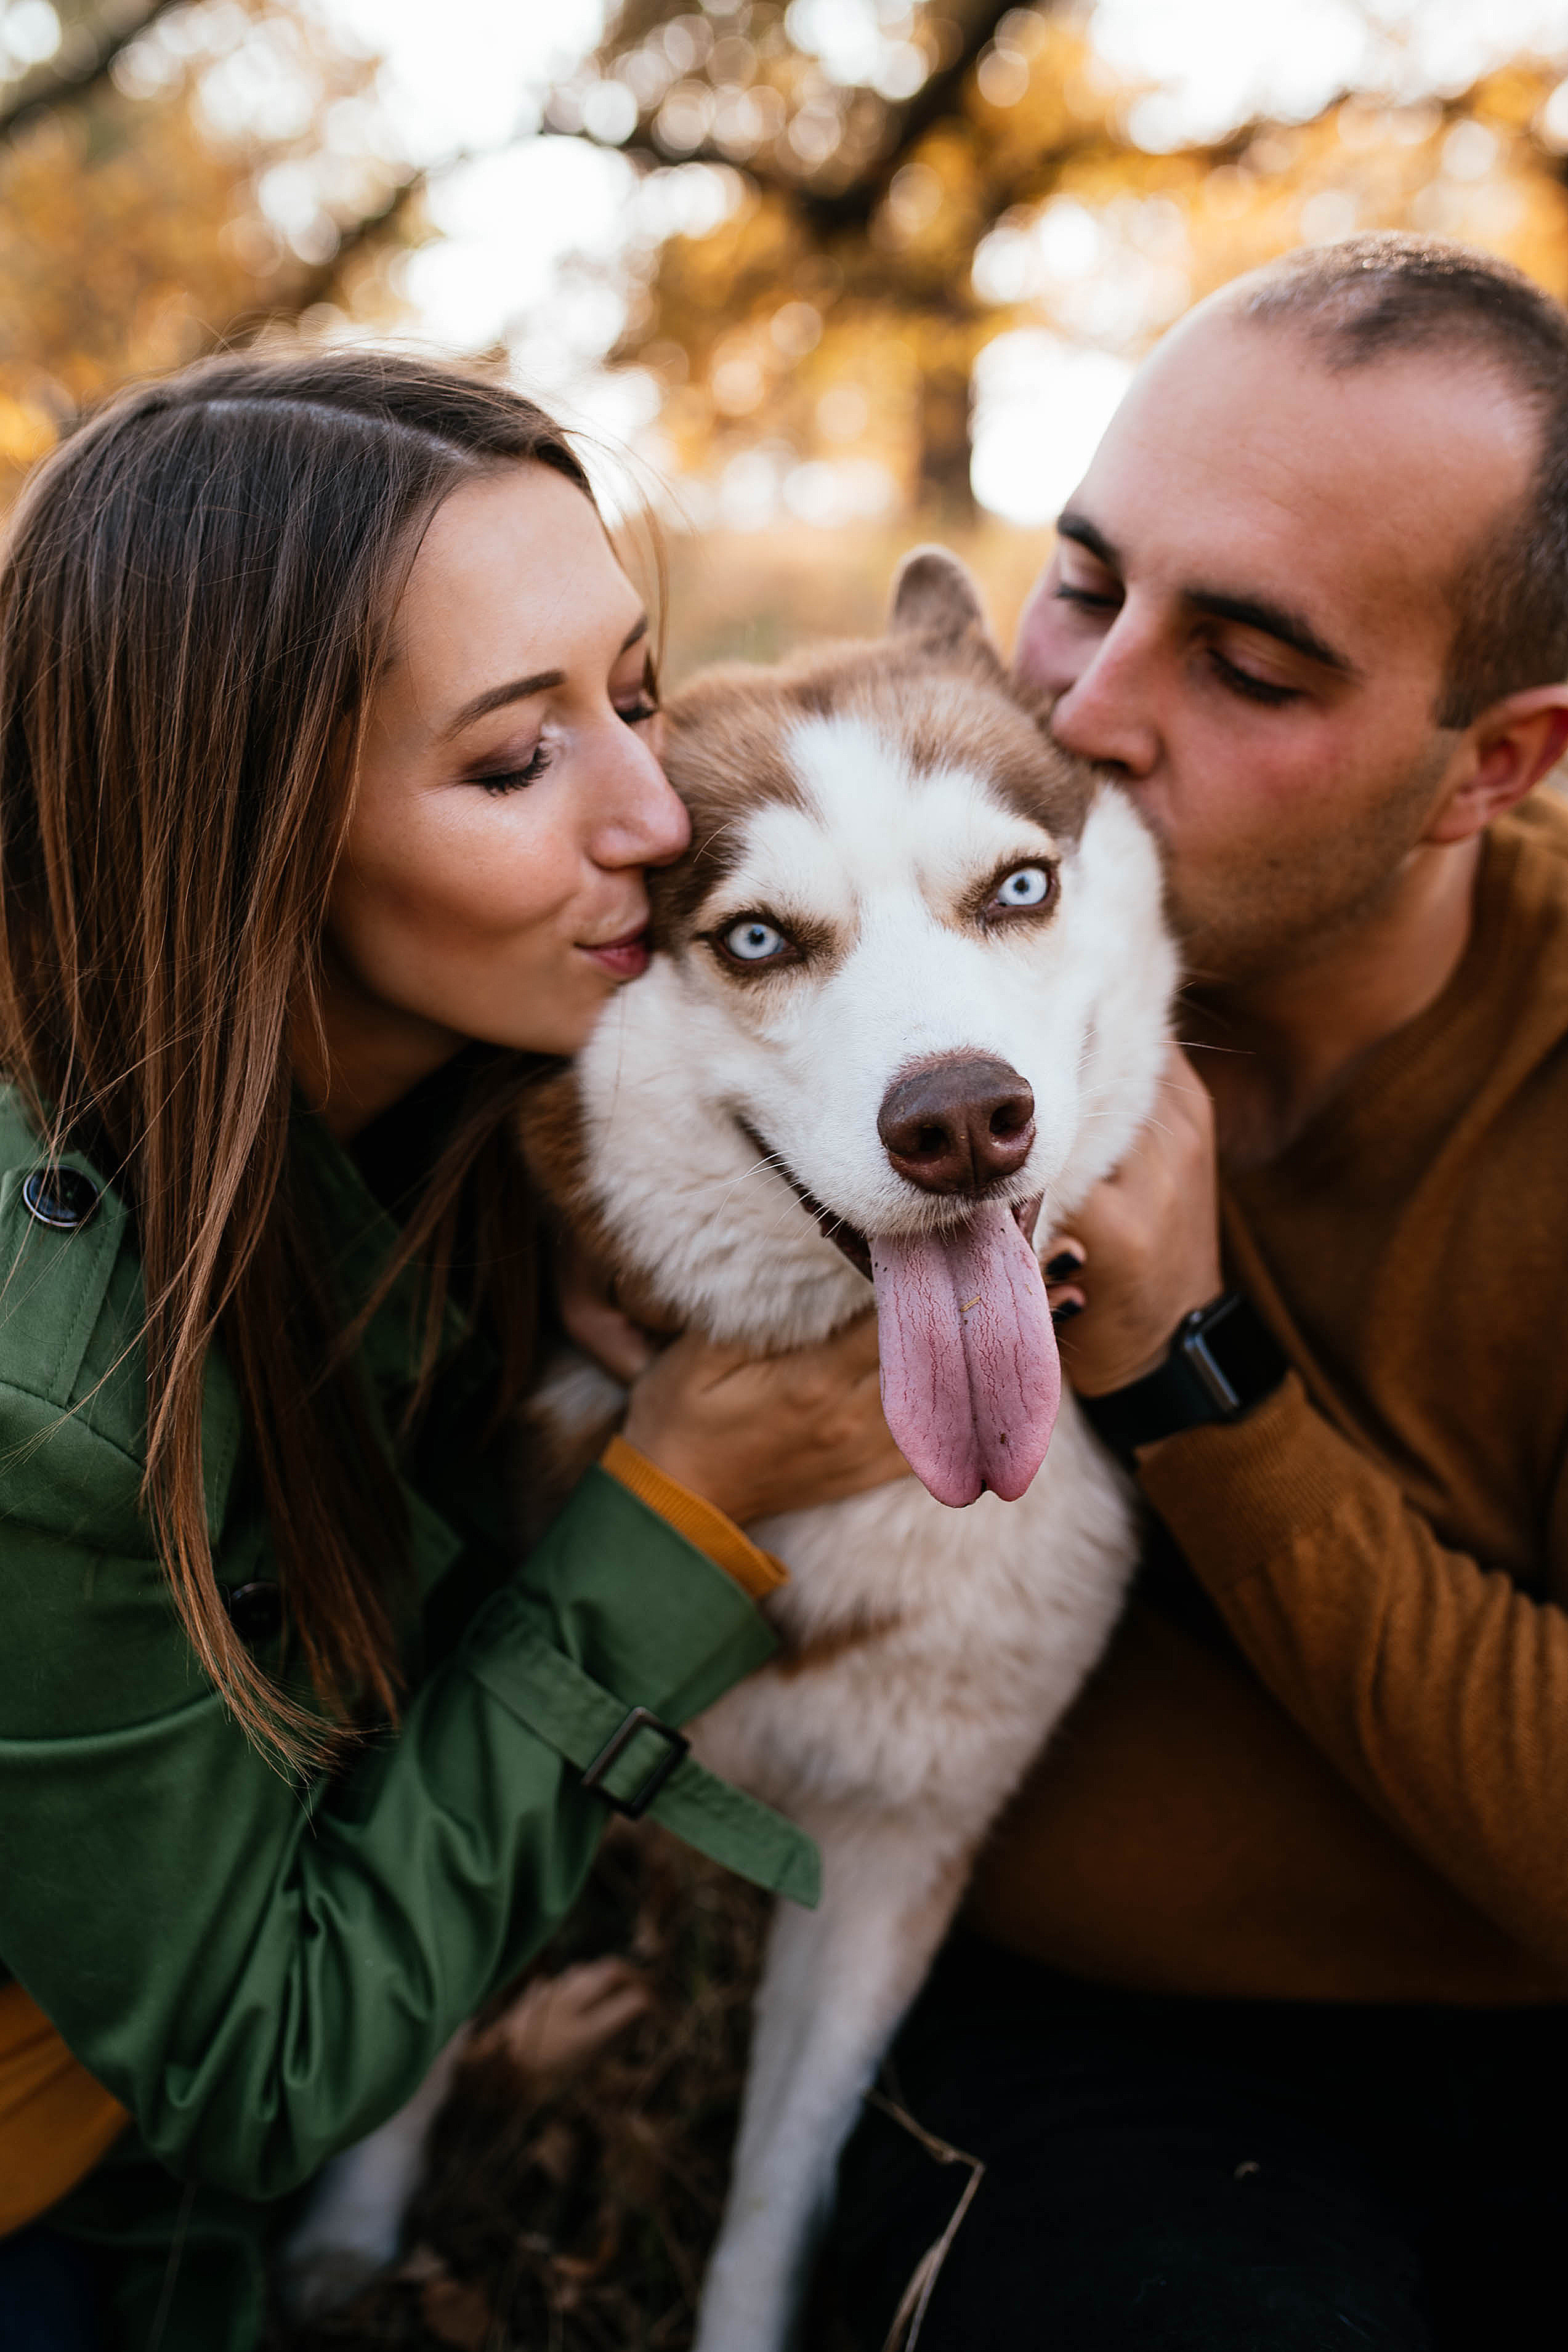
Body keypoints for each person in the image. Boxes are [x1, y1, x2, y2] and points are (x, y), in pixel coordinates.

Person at [0, 349, 905, 2350]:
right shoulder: (43, 1387)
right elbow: (259, 2072)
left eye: (637, 692)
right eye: (515, 765)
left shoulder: (420, 1109)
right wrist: (676, 1507)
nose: (656, 814)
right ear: (233, 833)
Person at [830, 233, 1568, 2350]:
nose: (1080, 707)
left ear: (1492, 765)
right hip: (1090, 2054)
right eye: (1085, 577)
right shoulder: (876, 971)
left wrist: (1189, 1371)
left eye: (1245, 666)